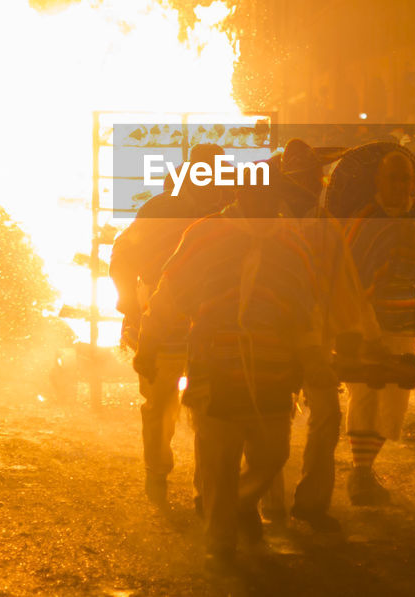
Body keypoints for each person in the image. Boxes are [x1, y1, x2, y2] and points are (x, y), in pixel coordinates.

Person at [136, 162, 321, 567]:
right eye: (252, 192)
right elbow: (170, 292)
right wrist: (148, 341)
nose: (259, 199)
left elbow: (306, 307)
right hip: (214, 364)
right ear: (237, 194)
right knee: (219, 459)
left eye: (268, 194)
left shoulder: (292, 243)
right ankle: (220, 548)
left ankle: (238, 505)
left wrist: (311, 358)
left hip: (274, 366)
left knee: (273, 453)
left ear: (277, 199)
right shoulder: (204, 235)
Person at [110, 143, 229, 506]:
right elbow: (123, 256)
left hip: (210, 322)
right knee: (162, 402)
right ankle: (159, 474)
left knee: (208, 405)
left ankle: (202, 485)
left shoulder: (227, 212)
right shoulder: (160, 209)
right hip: (161, 318)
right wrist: (131, 304)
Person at [270, 140, 380, 531]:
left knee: (327, 416)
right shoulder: (265, 224)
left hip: (315, 338)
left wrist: (351, 334)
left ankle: (311, 502)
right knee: (273, 419)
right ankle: (268, 500)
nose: (315, 181)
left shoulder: (324, 224)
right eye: (306, 176)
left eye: (314, 175)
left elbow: (343, 285)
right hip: (274, 335)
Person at [344, 149, 415, 505]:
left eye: (406, 178)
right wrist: (365, 331)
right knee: (364, 394)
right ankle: (360, 473)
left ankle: (366, 469)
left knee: (394, 399)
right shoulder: (365, 218)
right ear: (378, 181)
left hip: (404, 322)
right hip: (365, 322)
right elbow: (350, 278)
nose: (401, 185)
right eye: (393, 177)